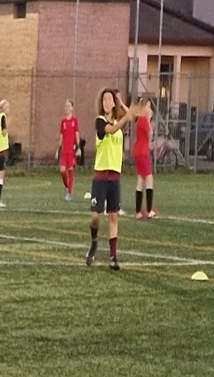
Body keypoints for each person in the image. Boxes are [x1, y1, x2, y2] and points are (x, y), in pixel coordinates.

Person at [87, 88, 125, 271]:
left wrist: (123, 105)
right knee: (95, 217)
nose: (107, 102)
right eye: (104, 100)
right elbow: (111, 129)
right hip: (100, 176)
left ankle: (113, 256)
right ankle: (94, 241)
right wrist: (127, 116)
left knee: (113, 216)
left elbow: (131, 118)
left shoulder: (118, 122)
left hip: (114, 177)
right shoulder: (100, 121)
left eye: (110, 99)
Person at [131, 95, 157, 218]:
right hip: (141, 153)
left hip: (138, 152)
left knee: (141, 179)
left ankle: (138, 211)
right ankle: (149, 209)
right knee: (149, 178)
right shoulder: (143, 119)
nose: (150, 109)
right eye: (148, 107)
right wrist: (149, 119)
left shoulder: (139, 119)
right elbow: (150, 133)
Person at [59, 100, 80, 202]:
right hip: (64, 150)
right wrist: (59, 147)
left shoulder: (74, 120)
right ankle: (67, 187)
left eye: (69, 106)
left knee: (70, 171)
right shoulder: (63, 122)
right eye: (65, 106)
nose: (67, 108)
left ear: (72, 108)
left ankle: (69, 193)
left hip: (71, 150)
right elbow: (61, 135)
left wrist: (78, 147)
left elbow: (77, 133)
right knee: (62, 170)